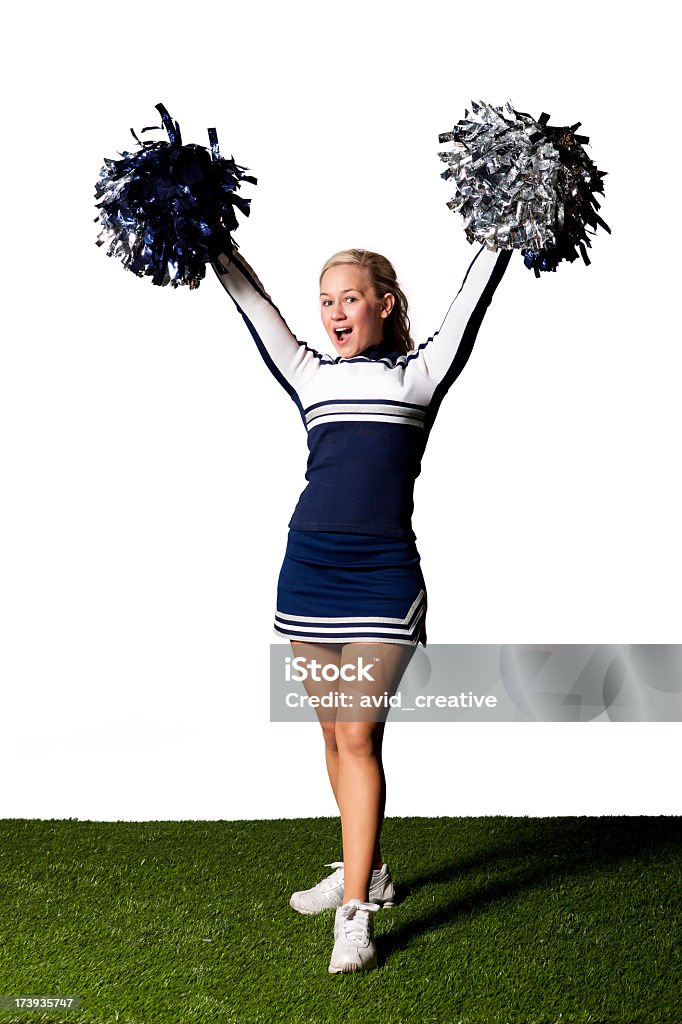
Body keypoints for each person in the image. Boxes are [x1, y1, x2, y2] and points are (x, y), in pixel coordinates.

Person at [211, 237, 511, 973]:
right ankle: (365, 870)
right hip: (308, 573)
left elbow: (473, 299)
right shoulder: (308, 374)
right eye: (326, 300)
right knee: (328, 733)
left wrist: (511, 216)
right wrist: (205, 231)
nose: (336, 311)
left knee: (358, 739)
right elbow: (253, 302)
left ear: (385, 304)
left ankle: (356, 914)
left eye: (351, 297)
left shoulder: (421, 374)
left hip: (381, 578)